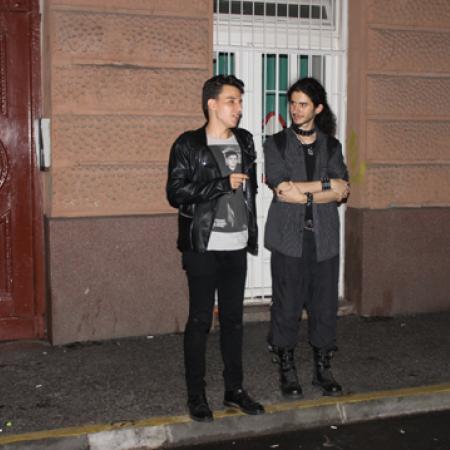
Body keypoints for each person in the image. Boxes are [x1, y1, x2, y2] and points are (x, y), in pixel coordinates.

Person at [166, 75, 265, 422]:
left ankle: (234, 390)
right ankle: (197, 396)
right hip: (203, 246)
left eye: (240, 101)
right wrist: (220, 184)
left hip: (236, 243)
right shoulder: (189, 144)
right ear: (212, 104)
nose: (239, 108)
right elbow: (175, 192)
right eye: (231, 100)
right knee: (200, 320)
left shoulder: (245, 140)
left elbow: (249, 192)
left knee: (234, 321)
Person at [264, 77, 350, 399]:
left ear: (318, 108)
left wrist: (306, 192)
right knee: (287, 304)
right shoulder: (276, 143)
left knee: (324, 305)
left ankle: (322, 369)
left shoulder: (332, 146)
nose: (296, 110)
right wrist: (326, 186)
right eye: (293, 103)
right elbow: (281, 187)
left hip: (324, 239)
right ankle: (287, 368)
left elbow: (343, 189)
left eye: (303, 104)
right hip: (289, 238)